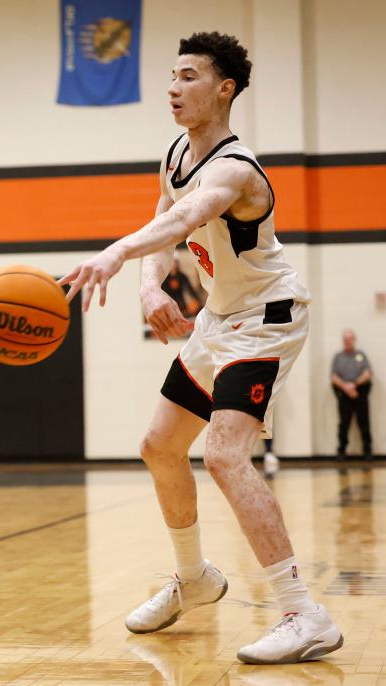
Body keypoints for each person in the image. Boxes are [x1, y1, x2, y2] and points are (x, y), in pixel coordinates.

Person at [61, 32, 342, 664]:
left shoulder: (236, 169)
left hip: (266, 319)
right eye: (171, 76)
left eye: (188, 76)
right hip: (218, 320)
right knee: (159, 448)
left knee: (223, 454)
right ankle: (194, 578)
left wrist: (113, 252)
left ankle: (304, 613)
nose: (172, 87)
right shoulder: (176, 153)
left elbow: (184, 220)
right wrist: (148, 283)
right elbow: (165, 217)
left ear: (224, 90)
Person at [331, 329, 373, 459]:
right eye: (345, 339)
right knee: (344, 423)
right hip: (344, 394)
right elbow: (334, 377)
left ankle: (367, 450)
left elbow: (367, 373)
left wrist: (354, 385)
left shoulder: (361, 355)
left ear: (354, 340)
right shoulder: (338, 357)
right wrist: (346, 387)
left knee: (364, 421)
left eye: (349, 339)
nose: (347, 342)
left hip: (359, 391)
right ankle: (341, 450)